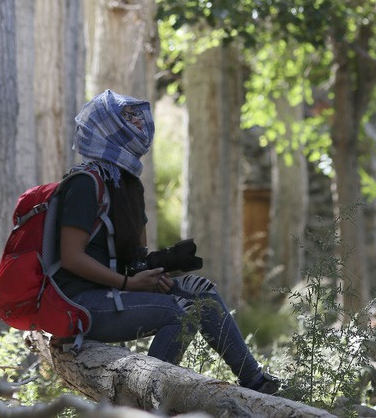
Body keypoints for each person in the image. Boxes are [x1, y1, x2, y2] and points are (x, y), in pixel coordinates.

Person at [53, 89, 281, 395]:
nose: (138, 126)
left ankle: (256, 383)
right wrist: (128, 283)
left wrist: (151, 275)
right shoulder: (84, 183)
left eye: (137, 120)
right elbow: (70, 257)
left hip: (113, 291)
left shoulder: (128, 184)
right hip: (78, 303)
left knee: (203, 292)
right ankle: (142, 401)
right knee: (181, 312)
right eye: (128, 121)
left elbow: (135, 257)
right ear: (107, 128)